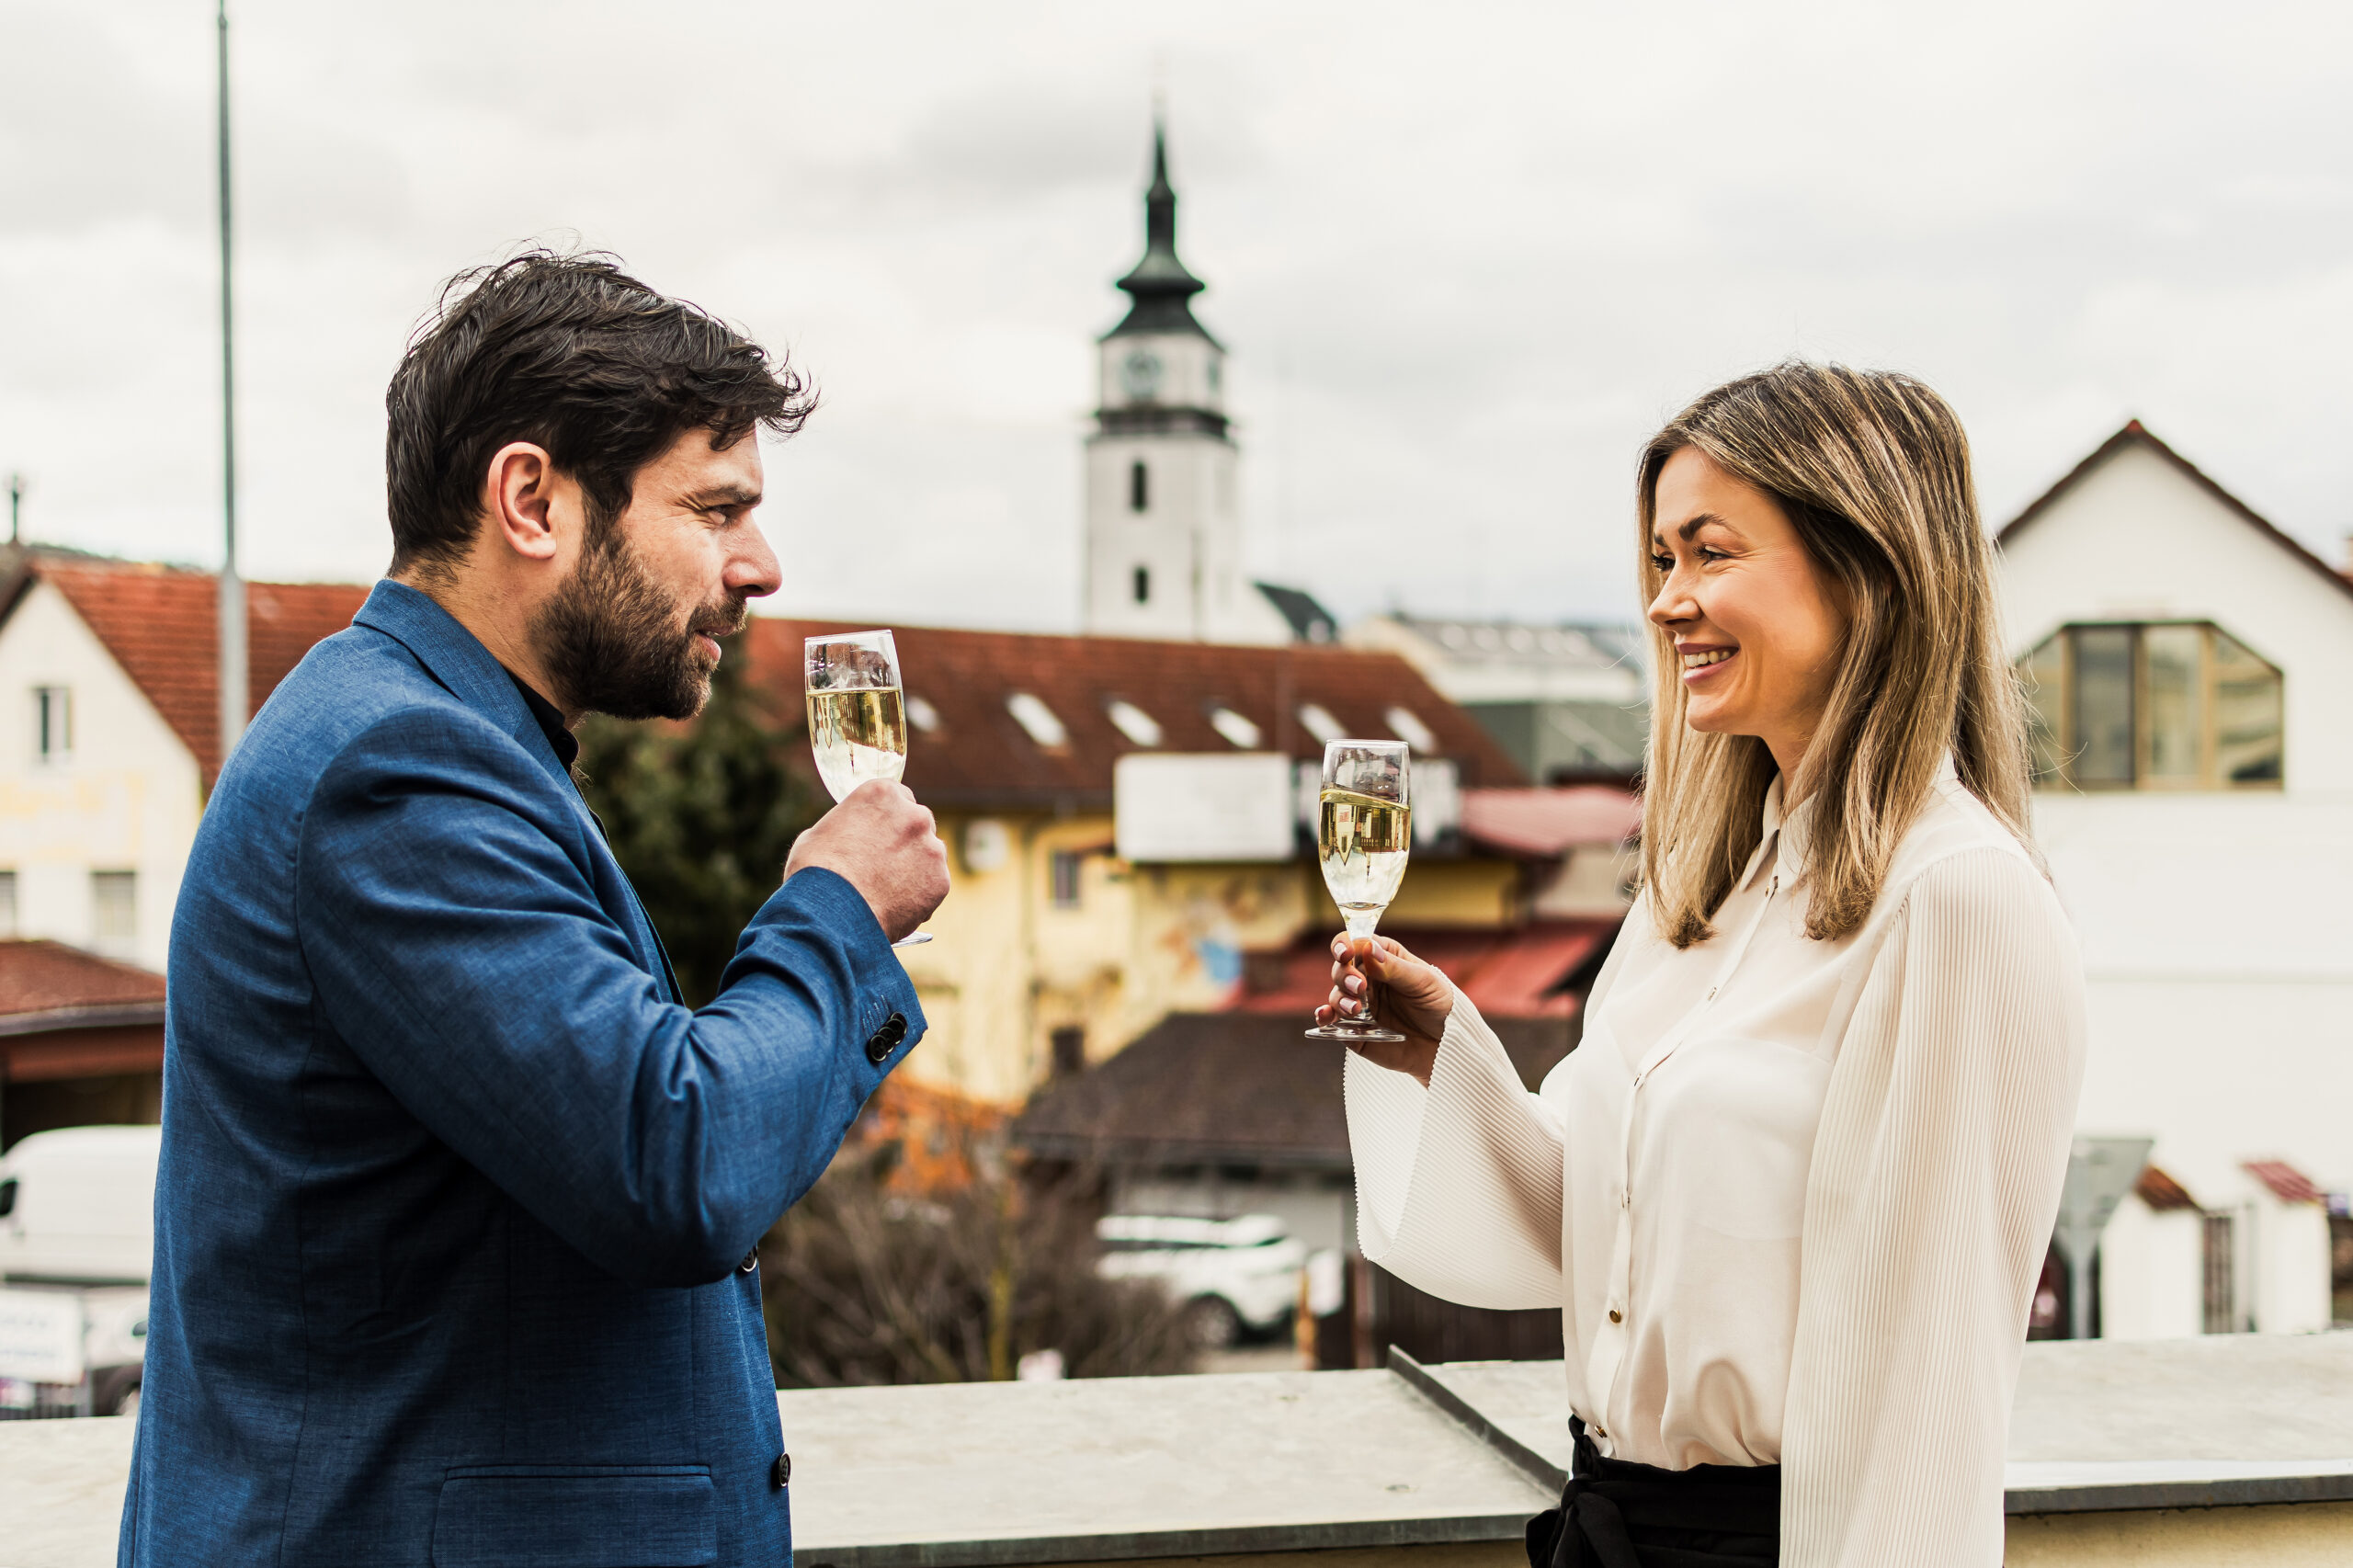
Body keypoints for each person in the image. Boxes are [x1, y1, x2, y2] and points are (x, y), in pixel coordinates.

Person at [119, 252, 951, 1567]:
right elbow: (671, 1159)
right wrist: (836, 915)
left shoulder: (443, 739)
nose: (763, 565)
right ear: (531, 500)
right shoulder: (394, 773)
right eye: (716, 509)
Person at [1323, 363, 2086, 1566]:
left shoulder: (1958, 898)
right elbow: (1597, 1230)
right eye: (1662, 561)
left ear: (1865, 568)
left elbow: (1921, 1395)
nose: (1670, 600)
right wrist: (1445, 1052)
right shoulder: (1705, 887)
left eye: (1711, 553)